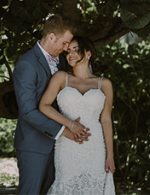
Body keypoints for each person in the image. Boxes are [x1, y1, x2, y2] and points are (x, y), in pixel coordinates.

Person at [13, 15, 91, 195]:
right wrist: (64, 129)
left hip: (61, 146)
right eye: (64, 43)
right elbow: (28, 112)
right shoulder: (27, 64)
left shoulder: (62, 61)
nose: (66, 49)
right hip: (34, 144)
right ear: (51, 37)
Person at [38, 36, 116, 194]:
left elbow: (106, 121)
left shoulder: (105, 84)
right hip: (67, 144)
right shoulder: (61, 78)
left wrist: (110, 156)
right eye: (68, 51)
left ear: (88, 53)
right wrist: (70, 124)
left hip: (96, 147)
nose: (70, 54)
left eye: (75, 49)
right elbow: (44, 106)